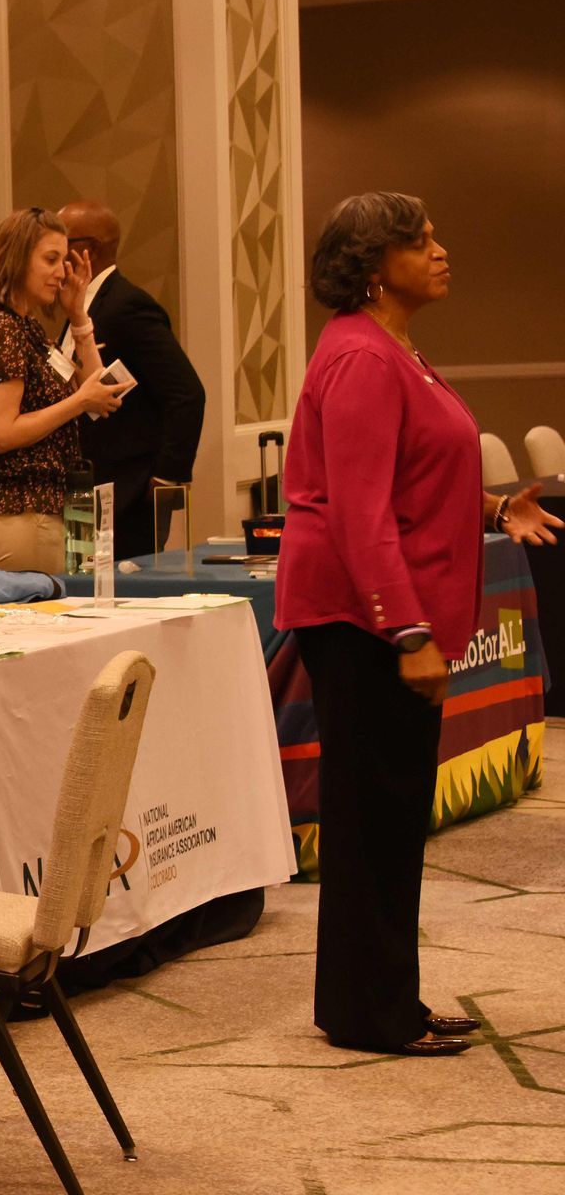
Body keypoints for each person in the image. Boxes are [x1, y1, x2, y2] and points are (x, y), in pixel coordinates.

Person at [273, 192, 561, 1057]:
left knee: (392, 819)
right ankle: (370, 1014)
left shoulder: (394, 349)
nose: (440, 251)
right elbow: (360, 517)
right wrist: (406, 632)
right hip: (361, 626)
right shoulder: (362, 357)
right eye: (420, 241)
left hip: (377, 620)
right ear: (371, 266)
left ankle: (383, 996)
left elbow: (408, 481)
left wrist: (491, 503)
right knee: (373, 820)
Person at [0, 208, 133, 572]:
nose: (61, 272)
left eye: (64, 259)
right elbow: (1, 433)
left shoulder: (27, 327)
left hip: (54, 503)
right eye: (51, 259)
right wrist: (78, 402)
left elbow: (94, 390)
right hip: (21, 509)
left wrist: (78, 316)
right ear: (17, 259)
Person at [56, 201, 207, 559]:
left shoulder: (128, 306)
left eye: (60, 243)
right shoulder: (80, 304)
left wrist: (165, 480)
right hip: (93, 486)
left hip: (128, 492)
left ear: (85, 251)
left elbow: (187, 393)